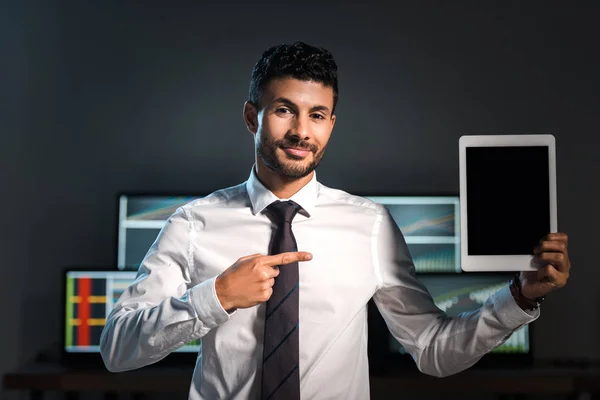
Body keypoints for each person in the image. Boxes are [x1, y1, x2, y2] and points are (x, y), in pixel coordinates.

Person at [99, 41, 571, 400]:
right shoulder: (193, 223)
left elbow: (430, 350)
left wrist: (519, 298)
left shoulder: (370, 225)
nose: (302, 131)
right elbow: (117, 350)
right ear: (251, 116)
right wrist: (215, 297)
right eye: (284, 110)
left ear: (331, 123)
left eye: (317, 115)